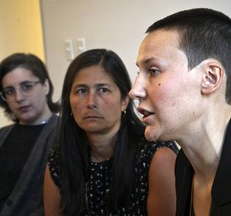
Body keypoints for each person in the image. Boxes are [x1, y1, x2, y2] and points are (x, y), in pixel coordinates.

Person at [129, 8, 231, 216]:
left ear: (210, 78)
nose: (134, 91)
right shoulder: (184, 164)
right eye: (140, 73)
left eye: (153, 71)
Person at [43, 49, 179, 216]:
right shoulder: (61, 158)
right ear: (68, 101)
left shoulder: (157, 155)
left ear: (124, 101)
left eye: (103, 90)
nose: (91, 102)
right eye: (81, 91)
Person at [0, 53, 60, 216]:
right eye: (9, 91)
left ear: (45, 85)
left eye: (26, 86)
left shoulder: (64, 135)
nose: (19, 98)